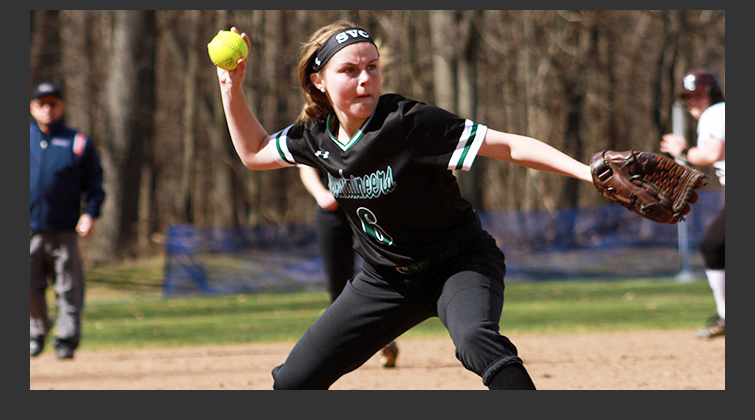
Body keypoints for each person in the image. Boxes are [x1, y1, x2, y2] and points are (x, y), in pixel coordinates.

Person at [214, 22, 593, 390]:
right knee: (294, 381)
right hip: (385, 281)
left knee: (477, 340)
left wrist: (588, 173)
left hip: (458, 263)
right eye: (349, 70)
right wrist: (231, 86)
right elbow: (254, 152)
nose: (366, 80)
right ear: (319, 81)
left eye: (372, 67)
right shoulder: (315, 135)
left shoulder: (408, 123)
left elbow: (508, 145)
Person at [30, 82, 106, 360]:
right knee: (27, 286)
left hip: (65, 229)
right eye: (42, 103)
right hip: (29, 230)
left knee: (68, 288)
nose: (48, 109)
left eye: (53, 103)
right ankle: (38, 331)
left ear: (61, 107)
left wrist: (89, 214)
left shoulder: (77, 142)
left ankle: (66, 340)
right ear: (32, 107)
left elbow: (95, 186)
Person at [298, 165, 399, 367]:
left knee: (382, 278)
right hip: (332, 211)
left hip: (370, 210)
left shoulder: (370, 133)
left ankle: (384, 337)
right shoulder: (315, 133)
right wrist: (321, 193)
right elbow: (305, 166)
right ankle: (344, 348)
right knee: (339, 287)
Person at [661, 68, 725, 339]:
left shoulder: (716, 113)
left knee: (713, 245)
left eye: (699, 94)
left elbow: (713, 153)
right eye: (688, 97)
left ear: (712, 93)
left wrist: (681, 151)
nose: (693, 102)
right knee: (715, 246)